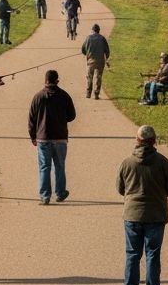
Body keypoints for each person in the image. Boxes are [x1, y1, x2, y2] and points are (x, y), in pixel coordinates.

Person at [117, 124, 168, 285]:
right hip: (155, 215)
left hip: (132, 215)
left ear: (137, 140)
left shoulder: (127, 163)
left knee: (132, 254)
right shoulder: (162, 162)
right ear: (154, 141)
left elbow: (120, 189)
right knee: (153, 254)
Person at [27, 69, 76, 204]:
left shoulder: (38, 97)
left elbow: (31, 119)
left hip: (43, 137)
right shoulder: (64, 96)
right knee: (59, 166)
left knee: (44, 167)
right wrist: (61, 118)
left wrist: (33, 136)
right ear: (57, 81)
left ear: (45, 81)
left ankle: (45, 196)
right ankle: (60, 193)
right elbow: (72, 116)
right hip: (60, 137)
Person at [81, 22, 111, 99]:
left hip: (90, 61)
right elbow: (107, 51)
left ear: (92, 30)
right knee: (98, 77)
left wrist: (87, 54)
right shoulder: (102, 38)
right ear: (99, 31)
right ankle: (96, 94)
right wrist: (106, 58)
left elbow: (83, 50)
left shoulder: (88, 38)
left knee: (89, 77)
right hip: (100, 61)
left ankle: (88, 93)